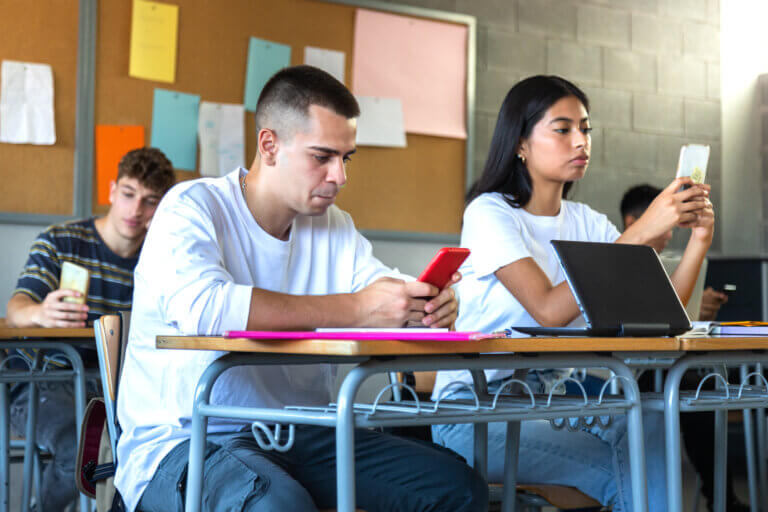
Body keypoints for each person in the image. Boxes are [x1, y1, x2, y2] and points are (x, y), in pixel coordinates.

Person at [115, 66, 487, 512]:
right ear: (269, 145)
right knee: (278, 505)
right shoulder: (191, 206)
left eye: (345, 158)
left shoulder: (335, 227)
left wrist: (427, 302)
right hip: (187, 439)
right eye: (322, 157)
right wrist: (358, 309)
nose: (339, 177)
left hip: (297, 433)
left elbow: (381, 291)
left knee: (457, 488)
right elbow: (205, 307)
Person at [431, 75, 715, 512]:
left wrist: (697, 241)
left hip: (558, 401)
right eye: (562, 129)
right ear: (520, 143)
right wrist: (641, 232)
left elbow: (664, 312)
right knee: (627, 465)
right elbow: (546, 310)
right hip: (478, 412)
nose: (580, 141)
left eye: (585, 129)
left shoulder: (588, 222)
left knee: (653, 419)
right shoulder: (489, 213)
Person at [5, 147, 175, 510]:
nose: (135, 210)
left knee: (151, 447)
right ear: (112, 190)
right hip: (41, 378)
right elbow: (16, 309)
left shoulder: (161, 260)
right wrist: (40, 312)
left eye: (149, 201)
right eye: (128, 194)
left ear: (161, 208)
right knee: (82, 445)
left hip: (114, 387)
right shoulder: (61, 241)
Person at [622, 185, 746, 511]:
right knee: (689, 387)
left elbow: (672, 314)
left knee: (696, 386)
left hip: (654, 364)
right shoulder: (618, 258)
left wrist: (698, 312)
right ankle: (720, 496)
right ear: (633, 220)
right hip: (619, 372)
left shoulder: (661, 263)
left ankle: (721, 496)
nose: (669, 233)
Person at [620, 184, 728, 321]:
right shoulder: (609, 245)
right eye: (661, 224)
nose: (669, 236)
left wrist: (700, 238)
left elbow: (665, 312)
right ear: (631, 223)